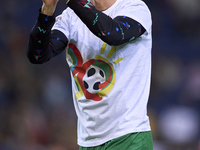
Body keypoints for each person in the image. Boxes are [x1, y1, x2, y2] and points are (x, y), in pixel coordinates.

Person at [27, 0, 153, 149]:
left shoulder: (135, 8)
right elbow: (37, 55)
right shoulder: (70, 18)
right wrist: (47, 9)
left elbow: (112, 33)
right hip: (88, 142)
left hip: (129, 136)